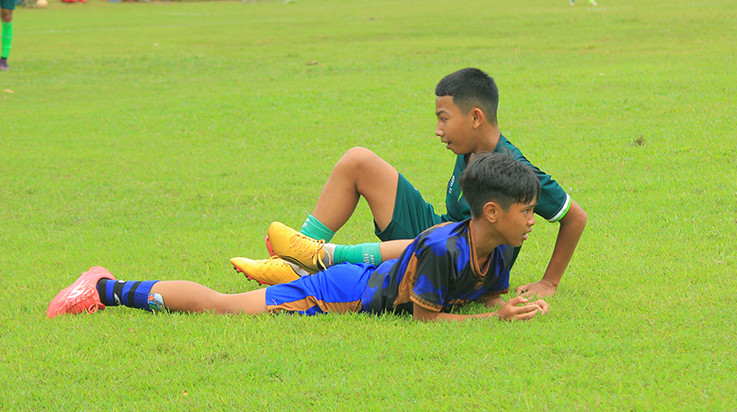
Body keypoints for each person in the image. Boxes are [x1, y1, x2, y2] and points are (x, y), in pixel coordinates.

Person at [48, 153, 550, 323]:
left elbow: (487, 297)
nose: (532, 220)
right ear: (491, 211)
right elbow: (428, 319)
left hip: (366, 275)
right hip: (341, 294)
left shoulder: (504, 244)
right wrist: (493, 322)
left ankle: (300, 260)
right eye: (526, 210)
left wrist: (512, 307)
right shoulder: (444, 247)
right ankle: (104, 289)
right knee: (224, 306)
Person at [232, 67, 587, 299]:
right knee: (359, 160)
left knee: (444, 236)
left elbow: (575, 217)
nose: (438, 130)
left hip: (460, 262)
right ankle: (298, 256)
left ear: (476, 117)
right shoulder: (470, 151)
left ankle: (315, 258)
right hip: (441, 236)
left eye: (444, 119)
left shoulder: (513, 170)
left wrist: (549, 282)